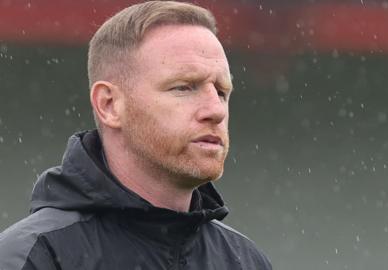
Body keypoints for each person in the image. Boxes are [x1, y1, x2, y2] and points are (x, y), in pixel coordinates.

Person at [0, 1, 272, 269]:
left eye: (222, 92)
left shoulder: (245, 261)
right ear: (109, 104)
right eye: (184, 87)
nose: (216, 110)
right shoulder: (33, 258)